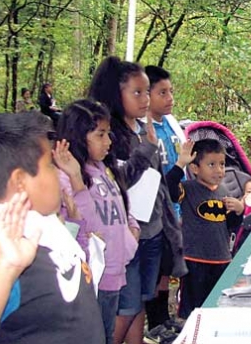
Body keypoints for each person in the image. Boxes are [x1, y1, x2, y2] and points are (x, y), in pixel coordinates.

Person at [0, 111, 105, 344]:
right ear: (21, 182)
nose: (57, 172)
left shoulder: (42, 225)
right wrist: (6, 267)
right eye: (50, 166)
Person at [54, 99, 159, 344]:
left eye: (108, 133)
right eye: (100, 135)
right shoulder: (64, 178)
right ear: (78, 136)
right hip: (93, 277)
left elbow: (121, 202)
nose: (108, 141)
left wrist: (131, 230)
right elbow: (84, 225)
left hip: (114, 269)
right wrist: (77, 181)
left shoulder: (103, 168)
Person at [88, 57, 167, 344]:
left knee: (140, 304)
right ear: (115, 94)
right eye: (137, 92)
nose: (145, 99)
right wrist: (146, 149)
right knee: (126, 306)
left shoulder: (138, 129)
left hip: (151, 229)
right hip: (126, 235)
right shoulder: (108, 137)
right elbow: (120, 181)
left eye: (147, 92)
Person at [165, 138, 244, 319]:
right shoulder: (188, 189)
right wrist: (180, 164)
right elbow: (169, 189)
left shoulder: (224, 191)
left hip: (221, 259)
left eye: (222, 164)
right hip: (195, 259)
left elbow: (230, 225)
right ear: (195, 168)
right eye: (211, 164)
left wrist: (239, 210)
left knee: (217, 307)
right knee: (193, 310)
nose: (219, 170)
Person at [143, 65, 187, 341]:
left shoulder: (170, 124)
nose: (169, 97)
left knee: (166, 269)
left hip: (176, 209)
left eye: (170, 91)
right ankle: (155, 322)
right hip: (156, 210)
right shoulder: (144, 130)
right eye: (162, 92)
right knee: (155, 268)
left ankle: (164, 320)